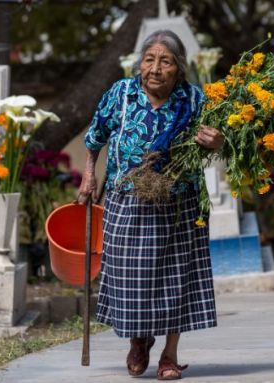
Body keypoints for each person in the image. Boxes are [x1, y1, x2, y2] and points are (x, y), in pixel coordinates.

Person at [78, 30, 224, 380]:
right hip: (127, 199)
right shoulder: (122, 94)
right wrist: (89, 175)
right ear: (139, 64)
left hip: (179, 202)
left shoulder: (194, 100)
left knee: (178, 279)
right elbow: (95, 136)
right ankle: (139, 339)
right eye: (149, 59)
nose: (156, 68)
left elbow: (220, 143)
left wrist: (217, 141)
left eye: (166, 61)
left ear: (179, 69)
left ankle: (170, 355)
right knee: (130, 277)